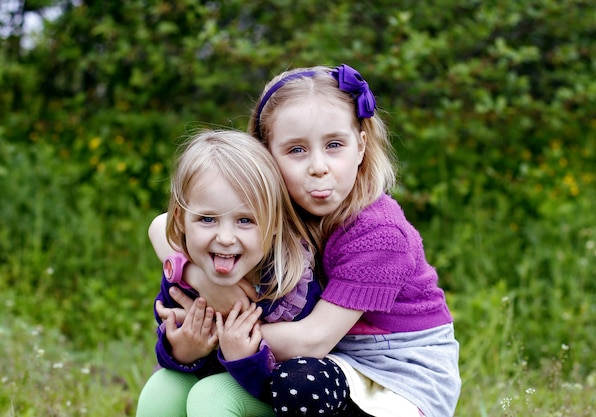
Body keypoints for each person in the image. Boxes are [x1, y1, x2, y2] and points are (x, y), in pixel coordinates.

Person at [153, 64, 461, 416]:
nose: (318, 167)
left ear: (361, 146)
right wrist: (202, 279)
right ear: (266, 153)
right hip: (326, 358)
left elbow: (313, 340)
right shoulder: (279, 206)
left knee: (299, 383)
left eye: (334, 145)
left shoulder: (380, 233)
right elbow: (162, 225)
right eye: (296, 150)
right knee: (183, 390)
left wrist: (219, 325)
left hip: (396, 372)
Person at [135, 129, 322, 417]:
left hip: (268, 396)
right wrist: (184, 350)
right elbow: (169, 334)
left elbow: (298, 384)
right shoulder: (186, 274)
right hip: (206, 382)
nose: (225, 237)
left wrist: (244, 358)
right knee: (162, 388)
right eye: (207, 219)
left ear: (273, 224)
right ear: (180, 220)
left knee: (211, 396)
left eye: (245, 220)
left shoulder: (288, 282)